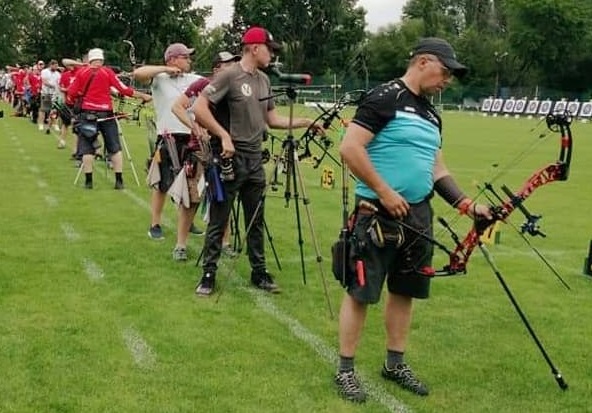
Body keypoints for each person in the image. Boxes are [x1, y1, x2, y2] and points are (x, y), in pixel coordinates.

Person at [333, 37, 492, 402]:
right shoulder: (384, 97)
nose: (448, 79)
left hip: (418, 215)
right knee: (361, 293)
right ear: (423, 61)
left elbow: (437, 169)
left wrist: (467, 205)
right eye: (445, 71)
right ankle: (345, 370)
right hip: (376, 213)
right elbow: (350, 147)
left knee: (405, 291)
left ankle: (395, 364)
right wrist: (384, 190)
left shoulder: (433, 115)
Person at [192, 26, 322, 297]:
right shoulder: (230, 75)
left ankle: (258, 272)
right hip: (229, 157)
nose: (272, 55)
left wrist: (306, 122)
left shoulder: (264, 80)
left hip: (254, 159)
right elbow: (199, 108)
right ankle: (208, 274)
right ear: (254, 48)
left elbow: (272, 120)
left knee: (256, 219)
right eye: (269, 49)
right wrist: (223, 135)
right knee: (219, 218)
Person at [133, 42, 204, 260]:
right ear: (173, 59)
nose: (189, 61)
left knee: (190, 184)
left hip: (191, 137)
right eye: (185, 57)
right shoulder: (159, 79)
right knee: (162, 184)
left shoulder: (193, 79)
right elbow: (138, 73)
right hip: (169, 136)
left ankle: (188, 222)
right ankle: (155, 223)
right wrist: (165, 69)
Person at [171, 51, 242, 258]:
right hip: (200, 151)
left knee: (225, 198)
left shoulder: (236, 88)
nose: (234, 67)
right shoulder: (202, 85)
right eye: (229, 64)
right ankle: (180, 245)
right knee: (191, 199)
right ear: (217, 68)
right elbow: (178, 107)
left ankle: (224, 242)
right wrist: (194, 127)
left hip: (226, 150)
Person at [67, 48, 151, 189]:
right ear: (102, 59)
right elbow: (124, 90)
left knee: (87, 149)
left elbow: (71, 93)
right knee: (114, 147)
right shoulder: (108, 72)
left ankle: (88, 182)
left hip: (87, 113)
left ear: (89, 59)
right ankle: (119, 181)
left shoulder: (82, 73)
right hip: (106, 113)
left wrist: (79, 98)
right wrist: (143, 96)